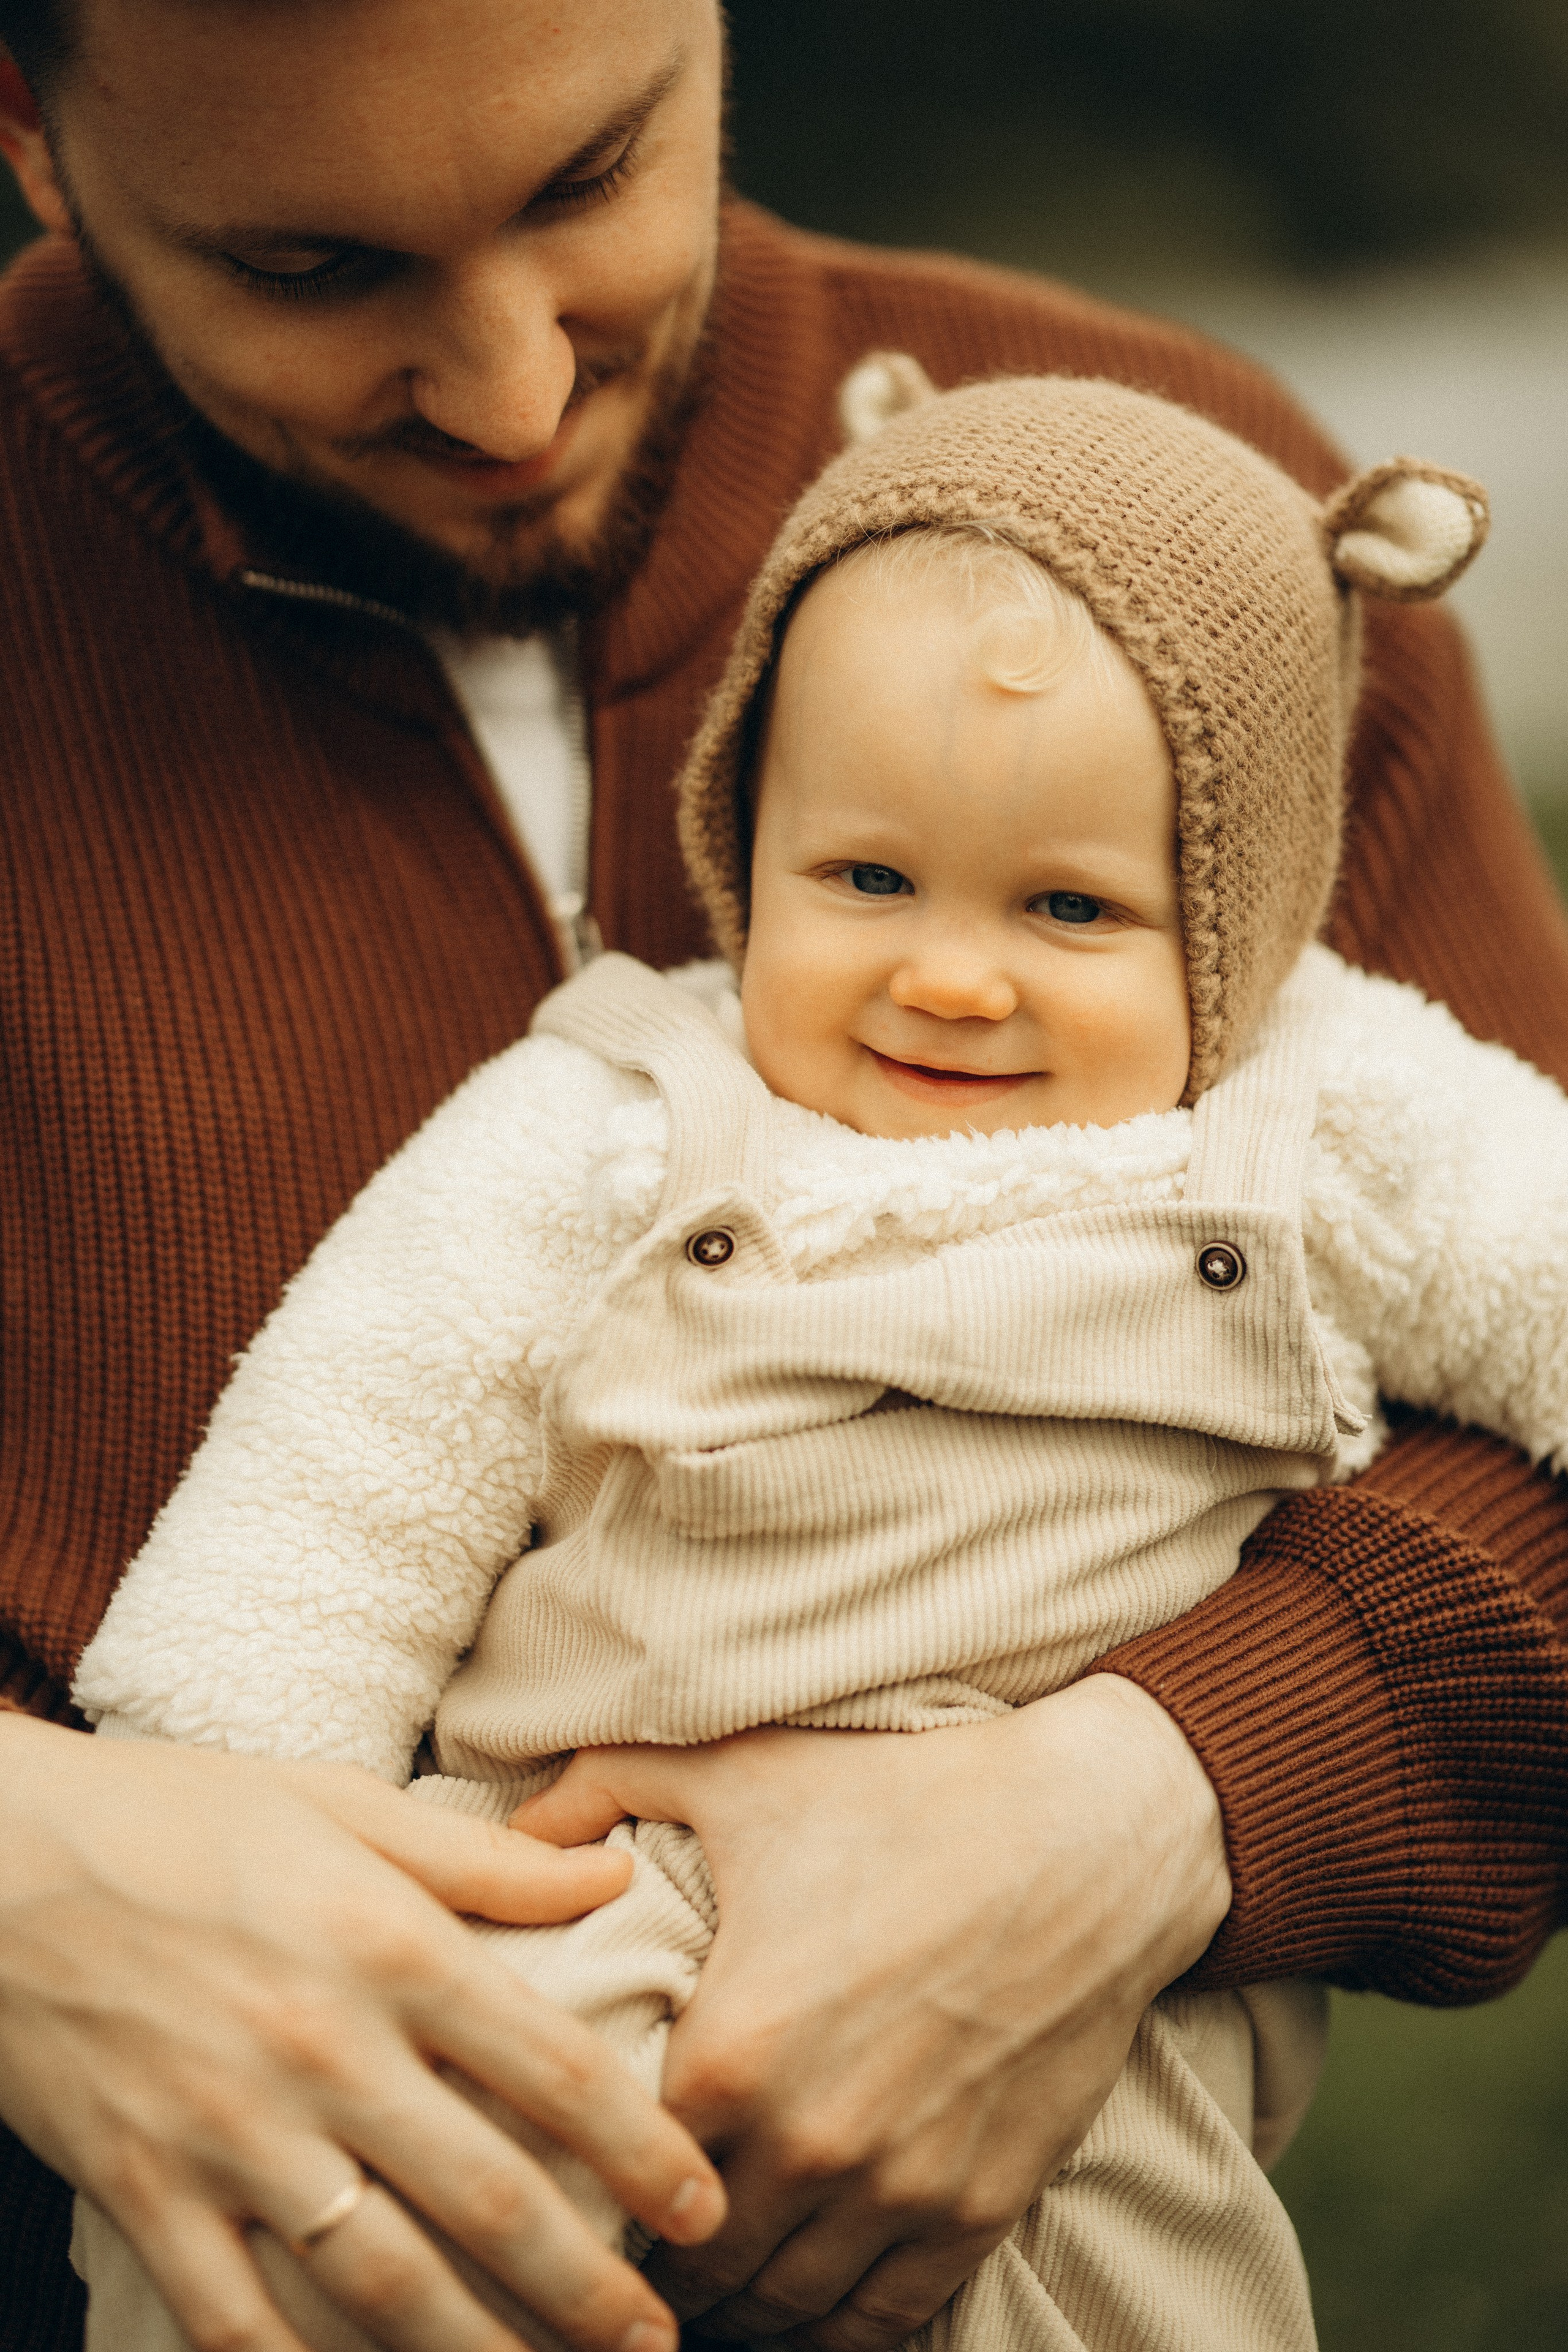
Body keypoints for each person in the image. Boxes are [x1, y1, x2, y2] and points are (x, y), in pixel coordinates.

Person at [0, 4, 1566, 2350]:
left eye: (587, 180)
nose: (511, 392)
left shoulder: (1204, 524)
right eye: (312, 269)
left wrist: (1168, 1794)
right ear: (29, 133)